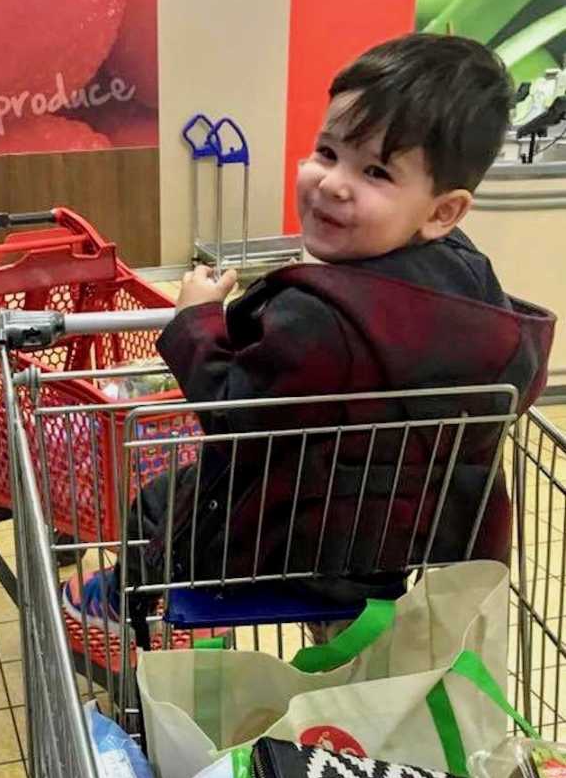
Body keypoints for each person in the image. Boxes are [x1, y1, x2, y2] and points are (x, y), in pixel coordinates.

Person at [63, 33, 555, 635]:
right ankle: (340, 654)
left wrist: (194, 319)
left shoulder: (322, 316)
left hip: (286, 542)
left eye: (375, 171)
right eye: (327, 152)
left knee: (159, 500)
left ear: (441, 211)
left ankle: (119, 603)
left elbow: (230, 410)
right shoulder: (470, 282)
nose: (333, 184)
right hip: (389, 545)